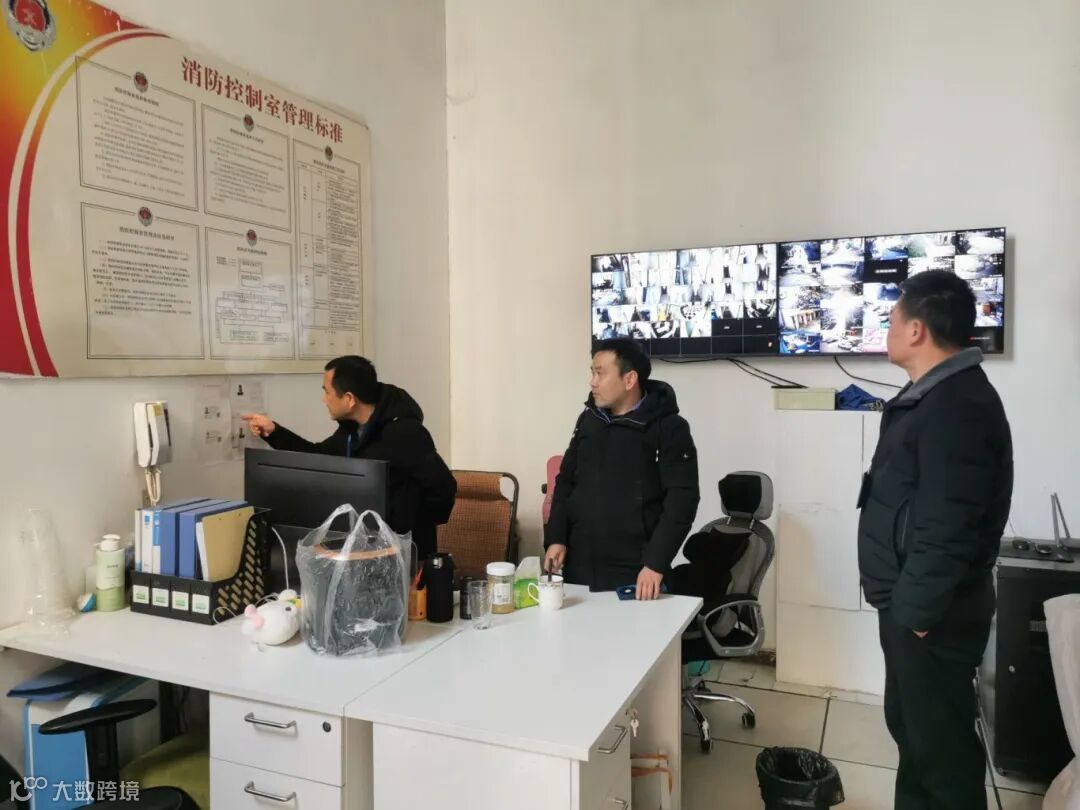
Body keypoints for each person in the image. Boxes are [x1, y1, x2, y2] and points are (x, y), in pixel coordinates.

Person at [857, 270, 1013, 810]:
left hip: (930, 612)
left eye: (892, 320)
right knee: (916, 735)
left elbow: (951, 522)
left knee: (940, 750)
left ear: (917, 329)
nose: (888, 330)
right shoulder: (932, 396)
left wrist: (918, 612)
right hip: (912, 603)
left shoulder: (957, 405)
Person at [241, 356, 456, 562]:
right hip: (365, 548)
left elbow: (444, 487)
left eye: (327, 392)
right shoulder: (351, 431)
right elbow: (318, 458)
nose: (324, 400)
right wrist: (274, 432)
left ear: (350, 399)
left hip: (404, 553)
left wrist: (410, 525)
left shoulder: (406, 433)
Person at [544, 339, 699, 598]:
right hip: (579, 566)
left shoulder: (669, 427)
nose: (592, 382)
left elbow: (682, 501)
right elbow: (566, 481)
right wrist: (556, 538)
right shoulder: (589, 420)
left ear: (629, 380)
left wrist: (655, 563)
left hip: (636, 571)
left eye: (600, 373)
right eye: (592, 373)